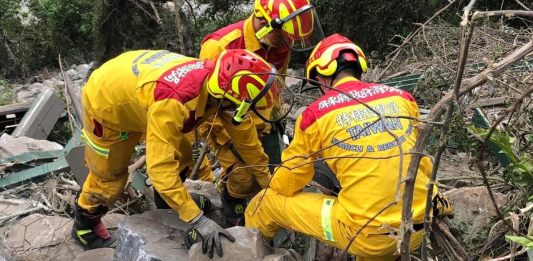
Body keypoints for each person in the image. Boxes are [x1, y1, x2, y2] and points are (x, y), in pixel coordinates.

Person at [72, 49, 289, 258]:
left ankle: (168, 206)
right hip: (108, 102)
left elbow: (247, 142)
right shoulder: (175, 101)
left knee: (182, 157)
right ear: (226, 98)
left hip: (142, 92)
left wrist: (266, 180)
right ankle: (85, 227)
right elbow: (159, 171)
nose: (246, 113)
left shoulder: (221, 87)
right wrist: (198, 221)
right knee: (109, 176)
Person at [244, 34, 445, 260]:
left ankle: (249, 252)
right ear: (358, 67)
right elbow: (421, 162)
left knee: (267, 202)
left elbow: (290, 181)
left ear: (323, 75)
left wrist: (270, 182)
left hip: (364, 236)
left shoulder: (316, 115)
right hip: (415, 228)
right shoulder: (403, 98)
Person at [196, 0, 324, 226]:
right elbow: (208, 104)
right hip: (225, 120)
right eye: (285, 36)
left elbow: (277, 87)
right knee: (243, 174)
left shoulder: (281, 43)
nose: (289, 42)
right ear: (265, 24)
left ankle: (266, 218)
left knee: (273, 172)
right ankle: (232, 205)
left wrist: (276, 120)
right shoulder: (220, 46)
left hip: (263, 117)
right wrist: (229, 142)